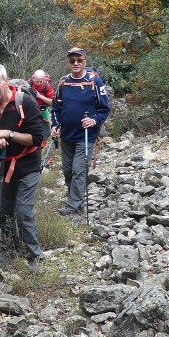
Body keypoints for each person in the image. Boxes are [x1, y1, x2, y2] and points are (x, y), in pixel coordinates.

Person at [0, 63, 46, 271]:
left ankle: (35, 256)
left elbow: (37, 138)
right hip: (2, 165)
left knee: (23, 210)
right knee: (3, 210)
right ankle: (10, 249)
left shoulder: (24, 102)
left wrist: (8, 134)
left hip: (27, 165)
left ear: (6, 81)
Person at [53, 47, 111, 218]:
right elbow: (56, 107)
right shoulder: (63, 82)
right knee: (67, 170)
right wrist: (55, 126)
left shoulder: (94, 81)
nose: (76, 63)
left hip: (86, 136)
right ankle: (75, 200)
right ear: (68, 62)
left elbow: (104, 108)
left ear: (85, 61)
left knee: (79, 170)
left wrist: (94, 120)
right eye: (72, 60)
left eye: (79, 60)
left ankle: (74, 206)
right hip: (67, 135)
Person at [29, 70, 56, 168]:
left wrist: (39, 96)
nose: (39, 83)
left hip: (42, 112)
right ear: (33, 79)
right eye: (37, 81)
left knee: (45, 133)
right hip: (30, 112)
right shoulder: (29, 83)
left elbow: (52, 102)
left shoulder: (47, 87)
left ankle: (39, 153)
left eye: (41, 81)